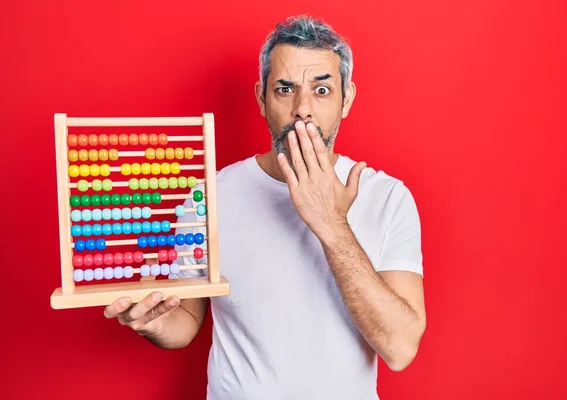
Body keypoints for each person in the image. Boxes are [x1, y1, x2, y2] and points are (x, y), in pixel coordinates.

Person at [104, 15, 426, 400]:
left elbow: (401, 348)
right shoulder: (211, 196)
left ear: (347, 99)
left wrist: (331, 223)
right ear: (261, 98)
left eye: (321, 91)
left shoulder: (388, 198)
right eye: (285, 89)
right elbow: (186, 321)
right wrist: (152, 322)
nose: (302, 109)